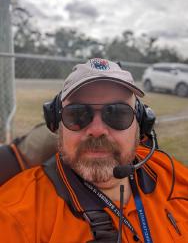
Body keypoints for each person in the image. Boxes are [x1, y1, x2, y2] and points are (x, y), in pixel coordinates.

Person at [0, 58, 187, 243]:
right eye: (77, 114)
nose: (97, 131)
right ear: (58, 126)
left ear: (141, 124)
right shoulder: (16, 215)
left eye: (117, 113)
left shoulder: (172, 177)